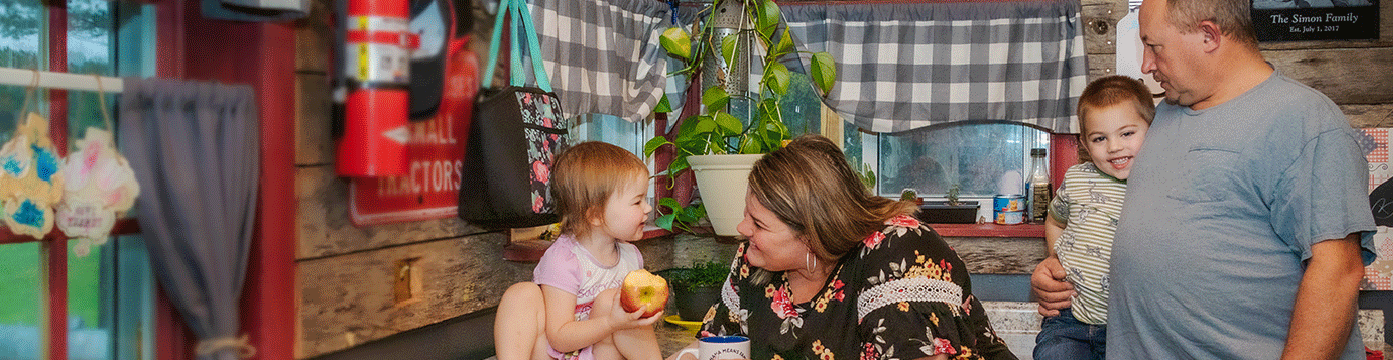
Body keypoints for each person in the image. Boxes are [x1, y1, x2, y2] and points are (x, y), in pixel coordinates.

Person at [1030, 0, 1378, 358]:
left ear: (1208, 35)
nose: (1147, 64)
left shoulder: (1304, 121)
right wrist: (1059, 270)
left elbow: (1338, 272)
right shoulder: (1162, 118)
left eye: (1153, 46)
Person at [672, 134, 1016, 360]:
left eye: (759, 223)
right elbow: (714, 346)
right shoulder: (756, 259)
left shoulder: (900, 252)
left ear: (812, 233)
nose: (742, 229)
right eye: (747, 214)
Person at [494, 141, 663, 360]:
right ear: (595, 216)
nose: (647, 207)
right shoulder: (564, 260)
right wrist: (611, 322)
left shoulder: (631, 256)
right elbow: (559, 338)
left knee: (610, 300)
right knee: (521, 295)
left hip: (600, 354)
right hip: (559, 354)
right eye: (637, 201)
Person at [1032, 75, 1155, 360]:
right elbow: (1054, 220)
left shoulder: (1157, 182)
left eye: (1127, 134)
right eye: (1100, 138)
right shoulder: (1076, 179)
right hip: (1068, 318)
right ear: (1085, 145)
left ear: (1152, 131)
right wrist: (1054, 258)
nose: (1114, 147)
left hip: (1129, 327)